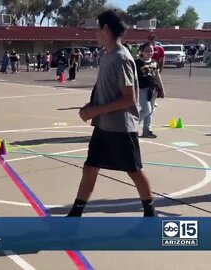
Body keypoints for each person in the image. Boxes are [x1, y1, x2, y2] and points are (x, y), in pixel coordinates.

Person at [66, 10, 157, 217]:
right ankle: (75, 214)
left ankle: (150, 214)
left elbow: (129, 98)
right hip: (104, 125)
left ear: (106, 29)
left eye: (97, 28)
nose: (95, 33)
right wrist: (91, 105)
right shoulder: (107, 56)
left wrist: (95, 110)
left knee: (134, 171)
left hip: (121, 127)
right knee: (90, 168)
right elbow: (106, 89)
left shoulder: (122, 58)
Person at [136, 43, 165, 139]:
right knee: (146, 109)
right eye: (147, 51)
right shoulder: (136, 63)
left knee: (150, 110)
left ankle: (147, 131)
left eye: (151, 51)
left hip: (153, 90)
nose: (149, 53)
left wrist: (161, 88)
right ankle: (132, 127)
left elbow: (157, 76)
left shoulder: (154, 62)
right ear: (142, 52)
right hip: (141, 89)